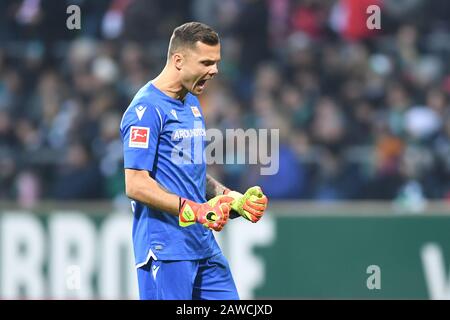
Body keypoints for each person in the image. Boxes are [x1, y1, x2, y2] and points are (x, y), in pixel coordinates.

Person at [120, 22, 269, 300]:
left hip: (202, 244)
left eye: (216, 62)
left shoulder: (191, 103)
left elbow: (192, 174)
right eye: (206, 62)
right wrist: (194, 210)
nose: (214, 70)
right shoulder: (146, 110)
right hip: (167, 249)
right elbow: (136, 184)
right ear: (178, 60)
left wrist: (231, 198)